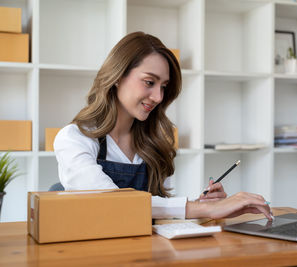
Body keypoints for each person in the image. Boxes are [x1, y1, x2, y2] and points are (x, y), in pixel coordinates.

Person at [54, 31, 273, 221]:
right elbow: (115, 202)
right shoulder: (74, 139)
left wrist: (207, 205)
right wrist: (203, 208)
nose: (158, 97)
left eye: (164, 86)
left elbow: (155, 210)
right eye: (149, 82)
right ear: (118, 77)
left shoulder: (151, 144)